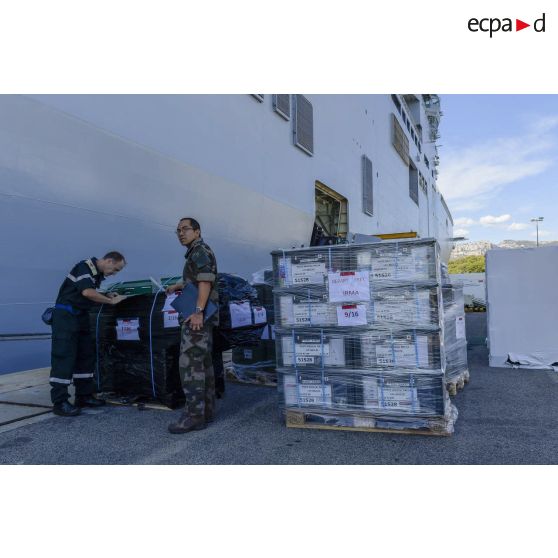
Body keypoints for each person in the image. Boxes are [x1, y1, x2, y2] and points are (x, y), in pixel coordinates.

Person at [49, 252, 127, 416]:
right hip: (66, 317)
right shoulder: (84, 267)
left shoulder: (95, 274)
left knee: (85, 356)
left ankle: (83, 396)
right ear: (108, 260)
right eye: (115, 269)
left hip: (81, 317)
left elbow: (88, 292)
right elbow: (87, 293)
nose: (114, 274)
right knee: (64, 357)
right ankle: (60, 402)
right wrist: (110, 301)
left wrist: (106, 294)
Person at [166, 217, 219, 434]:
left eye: (185, 229)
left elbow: (206, 281)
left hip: (197, 317)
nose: (180, 233)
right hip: (203, 316)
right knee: (203, 363)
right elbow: (198, 279)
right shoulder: (198, 251)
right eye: (177, 230)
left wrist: (197, 312)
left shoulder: (199, 251)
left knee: (190, 365)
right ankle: (205, 411)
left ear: (197, 232)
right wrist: (178, 285)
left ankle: (194, 416)